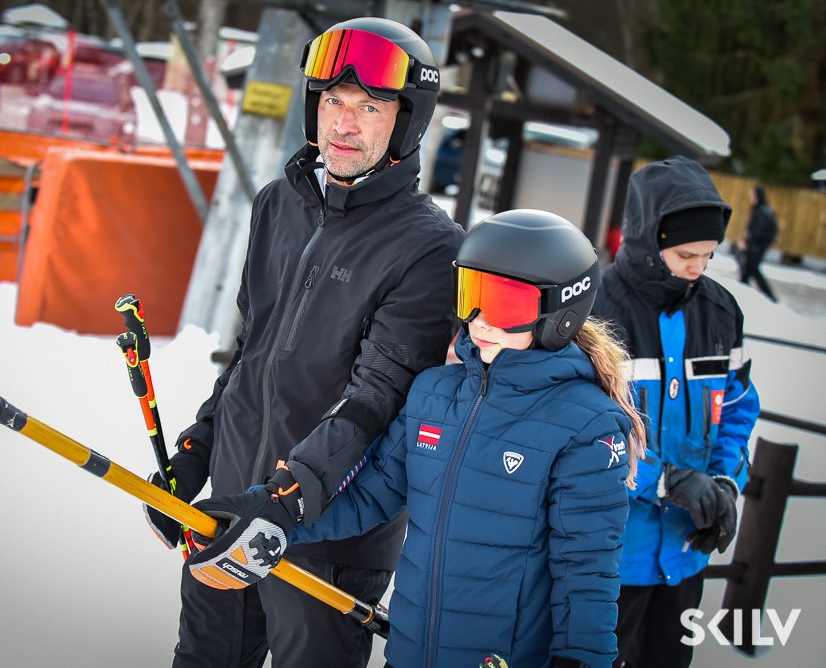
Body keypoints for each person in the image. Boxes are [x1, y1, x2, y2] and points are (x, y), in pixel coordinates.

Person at [189, 209, 647, 667]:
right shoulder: (434, 393)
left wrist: (581, 660)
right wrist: (275, 516)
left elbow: (587, 569)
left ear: (560, 313)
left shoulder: (586, 425)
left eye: (506, 305)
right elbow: (370, 495)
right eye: (471, 296)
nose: (480, 321)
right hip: (410, 654)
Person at [143, 17, 464, 667]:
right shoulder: (277, 206)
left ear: (406, 123)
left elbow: (378, 398)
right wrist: (200, 449)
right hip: (233, 506)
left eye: (369, 108)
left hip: (328, 536)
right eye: (333, 100)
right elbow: (251, 353)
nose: (343, 123)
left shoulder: (430, 248)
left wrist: (283, 499)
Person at [591, 156, 760, 668]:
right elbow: (581, 430)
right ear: (648, 241)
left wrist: (723, 484)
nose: (698, 268)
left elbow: (737, 409)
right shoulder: (597, 310)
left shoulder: (721, 312)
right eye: (686, 254)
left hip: (684, 554)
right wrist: (663, 480)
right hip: (608, 558)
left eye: (709, 255)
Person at [738, 184, 779, 302]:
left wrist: (748, 242)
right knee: (748, 269)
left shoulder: (762, 212)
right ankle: (741, 290)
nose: (750, 198)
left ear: (757, 197)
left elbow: (757, 231)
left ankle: (770, 296)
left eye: (752, 195)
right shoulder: (761, 209)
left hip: (757, 246)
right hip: (756, 246)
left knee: (752, 269)